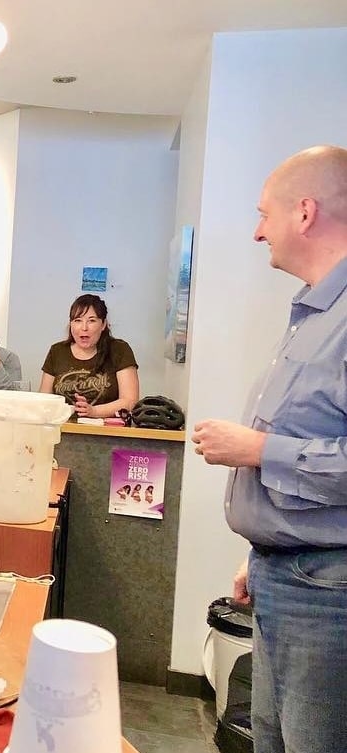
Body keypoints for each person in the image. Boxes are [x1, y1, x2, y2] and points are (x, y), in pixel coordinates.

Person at [192, 145, 347, 753]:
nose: (258, 232)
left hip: (326, 596)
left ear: (304, 213)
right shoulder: (313, 314)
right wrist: (265, 553)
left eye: (264, 214)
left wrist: (259, 449)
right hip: (286, 574)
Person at [38, 294, 139, 418]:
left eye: (91, 320)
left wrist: (94, 411)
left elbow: (130, 401)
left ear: (103, 324)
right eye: (78, 320)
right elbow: (44, 400)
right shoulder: (57, 351)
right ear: (71, 324)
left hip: (105, 428)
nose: (84, 327)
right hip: (63, 426)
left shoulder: (120, 349)